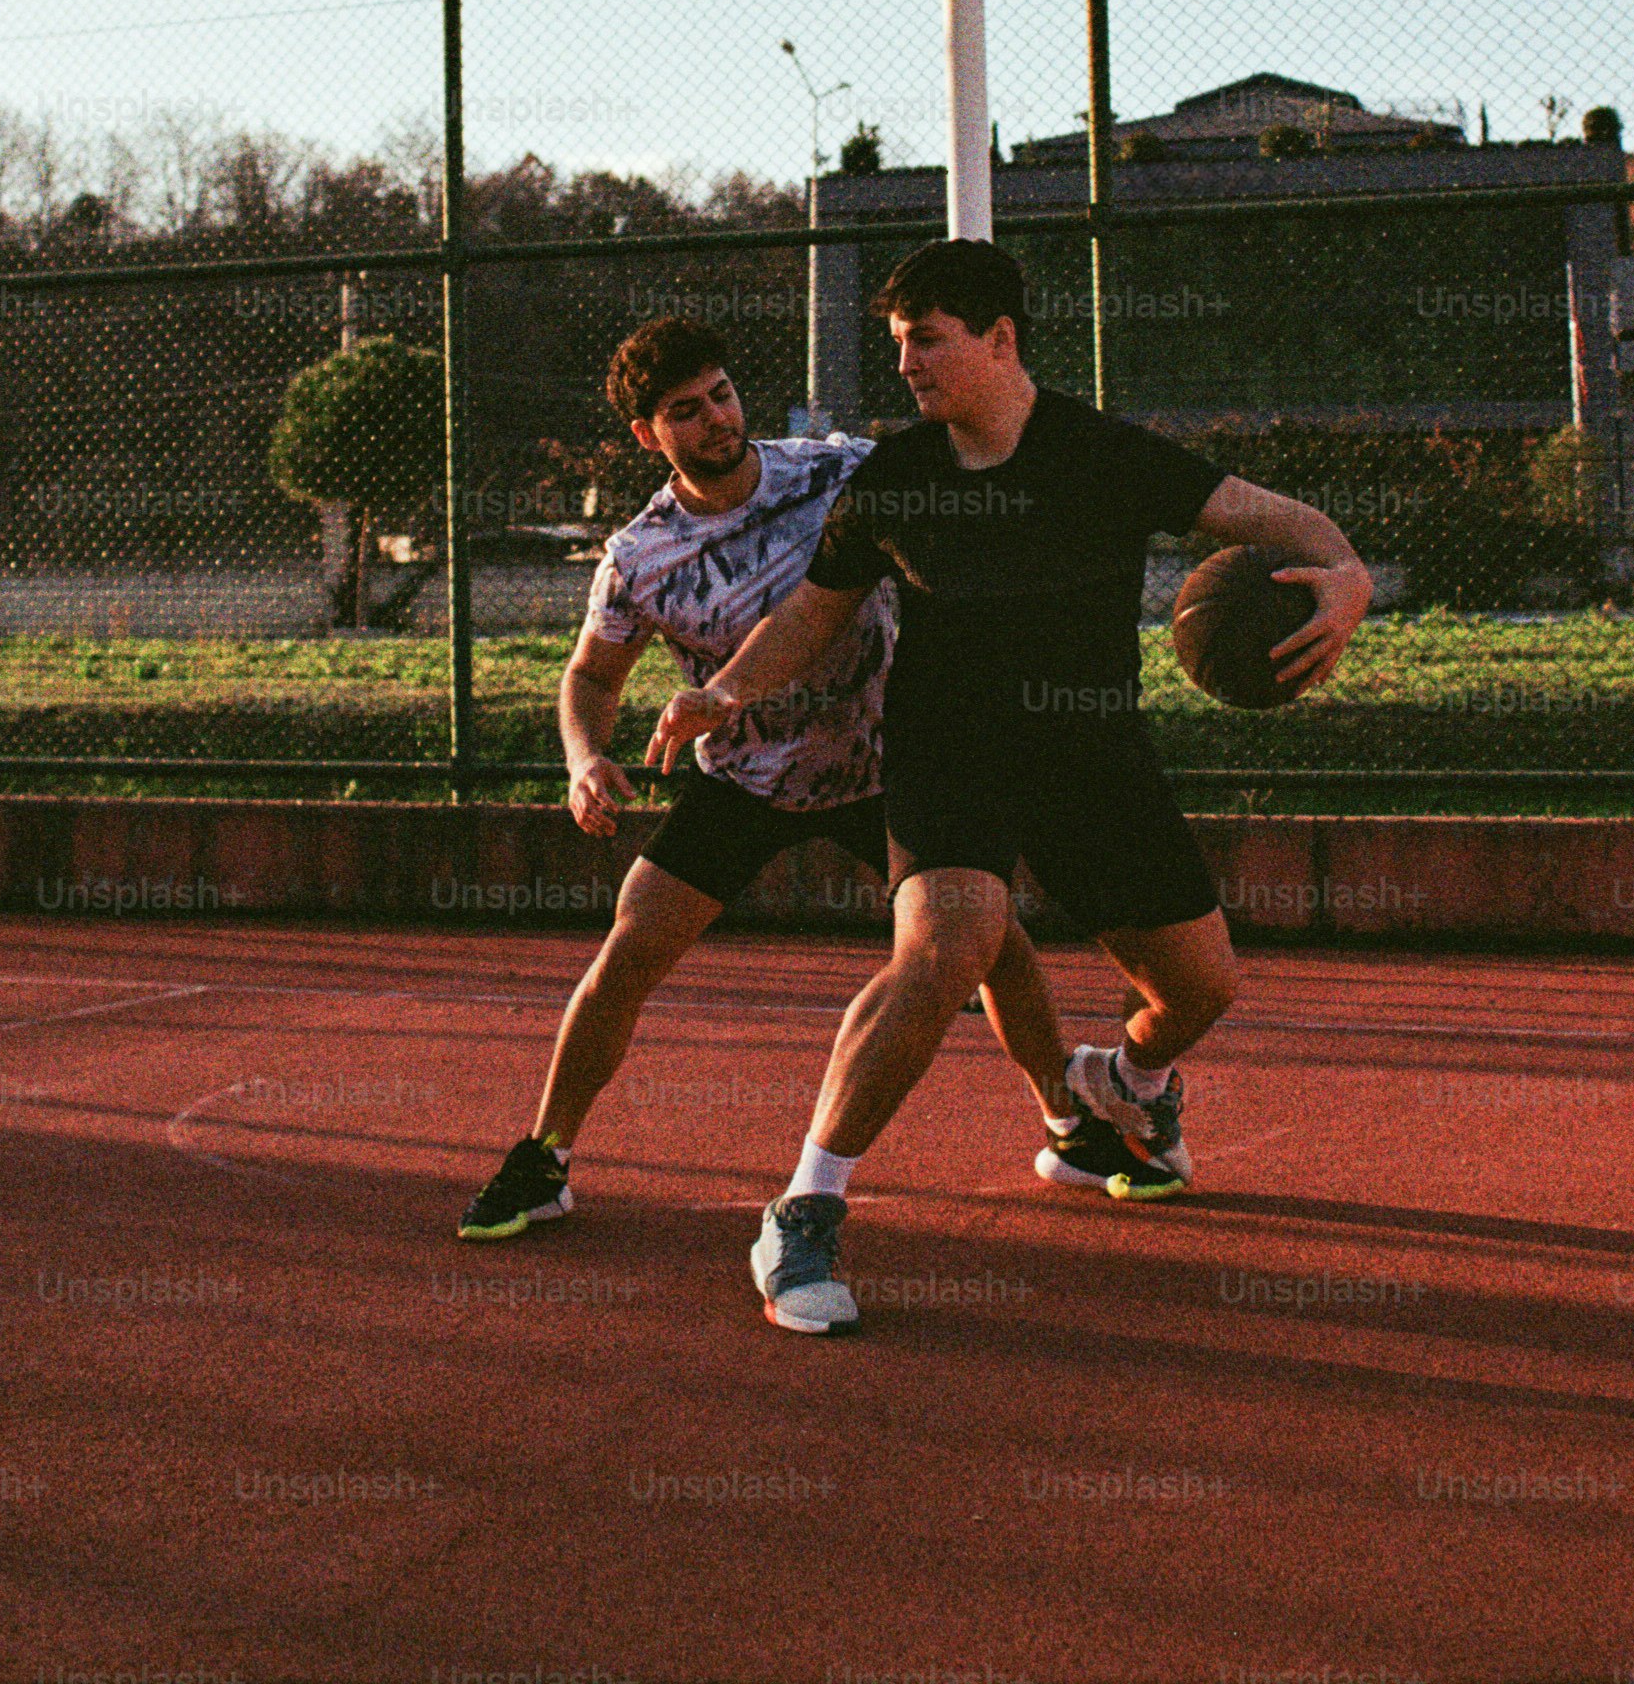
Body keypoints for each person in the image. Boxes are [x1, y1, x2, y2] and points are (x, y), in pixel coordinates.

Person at [651, 240, 1374, 1333]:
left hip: (1091, 758)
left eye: (927, 339)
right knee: (949, 940)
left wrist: (1350, 576)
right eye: (897, 344)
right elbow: (811, 613)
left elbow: (1273, 517)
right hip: (952, 754)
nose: (907, 365)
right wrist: (728, 689)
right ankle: (805, 1207)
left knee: (1202, 989)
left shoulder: (1102, 453)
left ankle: (1124, 1083)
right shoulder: (895, 477)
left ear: (1000, 338)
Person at [455, 314, 1153, 1245]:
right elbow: (590, 675)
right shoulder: (640, 557)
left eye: (721, 395)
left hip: (888, 757)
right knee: (630, 947)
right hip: (749, 776)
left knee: (994, 944)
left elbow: (968, 483)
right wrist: (585, 759)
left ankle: (1071, 1127)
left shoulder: (833, 472)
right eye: (684, 412)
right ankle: (545, 1157)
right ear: (646, 435)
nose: (715, 420)